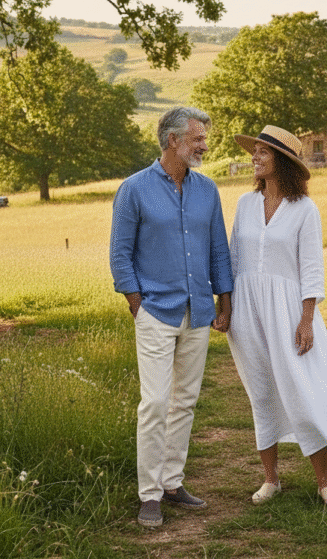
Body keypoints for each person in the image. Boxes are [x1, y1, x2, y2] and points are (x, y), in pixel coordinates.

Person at [227, 125, 327, 507]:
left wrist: (306, 319)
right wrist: (226, 308)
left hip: (287, 309)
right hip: (247, 309)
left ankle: (323, 482)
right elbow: (233, 260)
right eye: (256, 151)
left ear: (282, 161)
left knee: (302, 390)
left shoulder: (304, 209)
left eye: (263, 152)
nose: (255, 157)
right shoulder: (245, 205)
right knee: (261, 391)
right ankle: (271, 480)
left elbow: (312, 268)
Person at [109, 106, 233, 528]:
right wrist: (134, 302)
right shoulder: (134, 189)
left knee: (185, 401)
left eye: (203, 138)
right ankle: (149, 495)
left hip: (197, 309)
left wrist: (225, 301)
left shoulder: (207, 190)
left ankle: (172, 482)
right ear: (172, 141)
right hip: (155, 313)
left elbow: (219, 248)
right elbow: (120, 253)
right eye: (197, 139)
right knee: (156, 402)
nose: (203, 145)